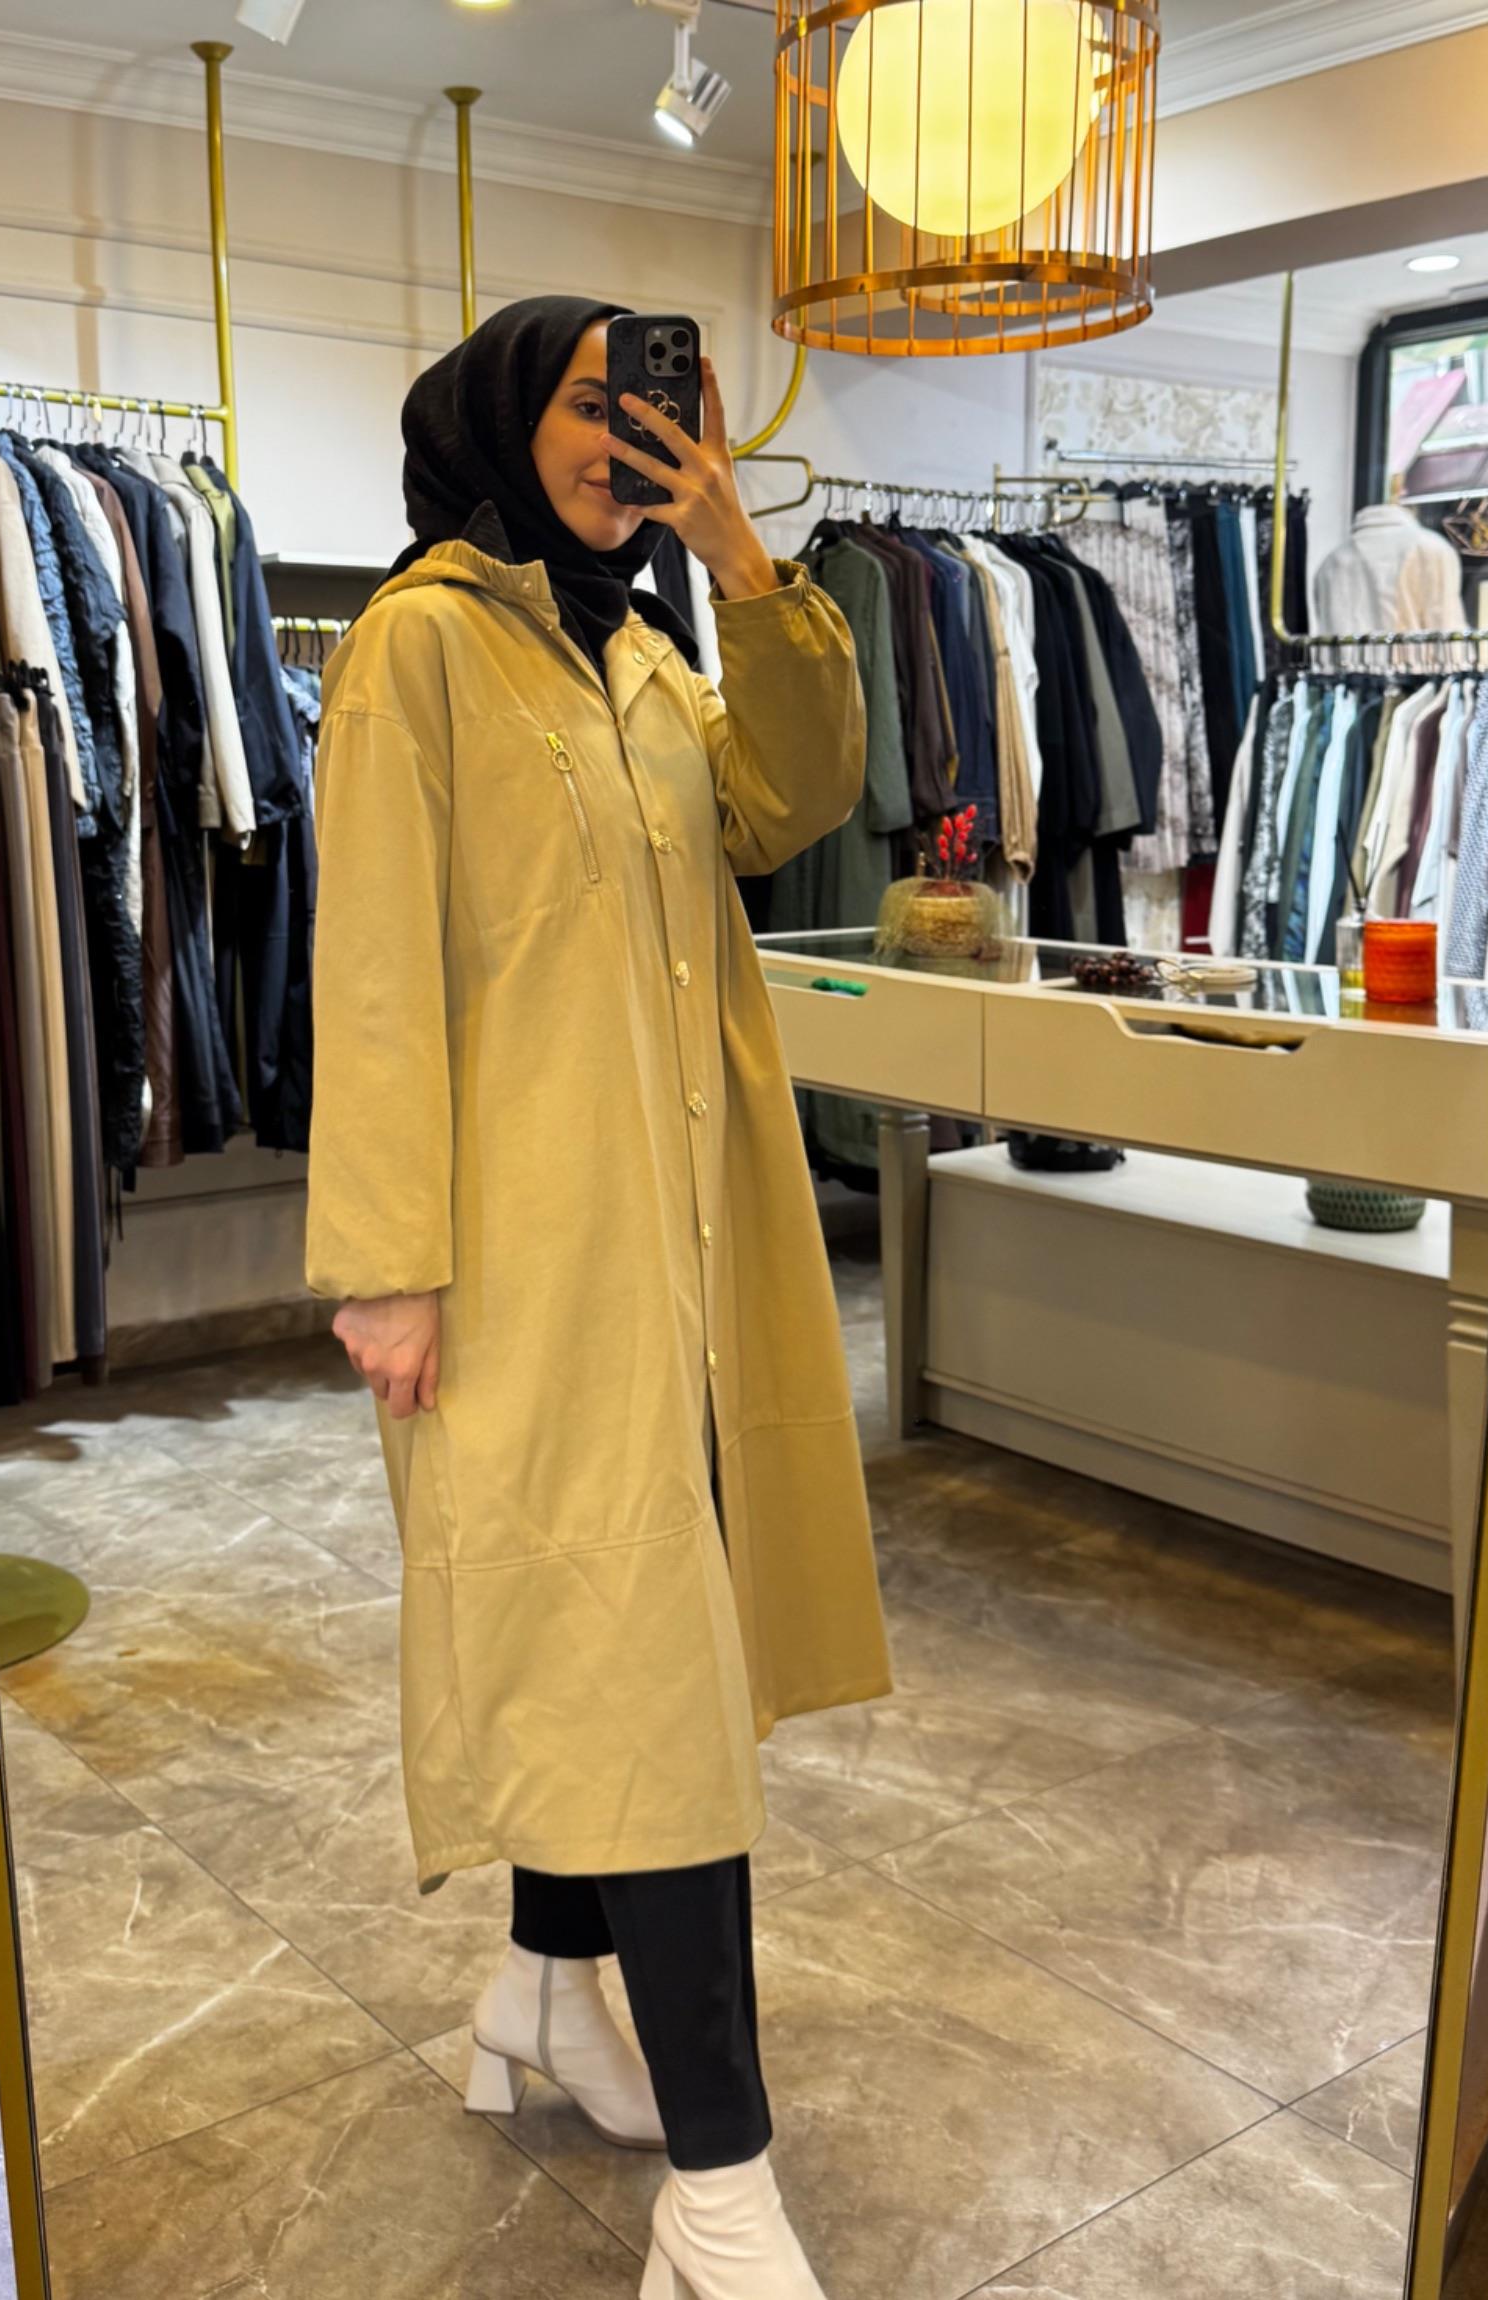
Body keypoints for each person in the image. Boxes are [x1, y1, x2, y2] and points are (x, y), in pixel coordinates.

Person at [304, 296, 893, 2298]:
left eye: (647, 408)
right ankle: (721, 2190)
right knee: (647, 1687)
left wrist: (739, 557)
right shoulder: (419, 644)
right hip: (529, 1263)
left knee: (618, 1647)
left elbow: (794, 798)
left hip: (688, 1241)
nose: (619, 440)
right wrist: (386, 1266)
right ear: (497, 418)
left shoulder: (645, 650)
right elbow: (374, 968)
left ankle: (546, 1992)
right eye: (584, 405)